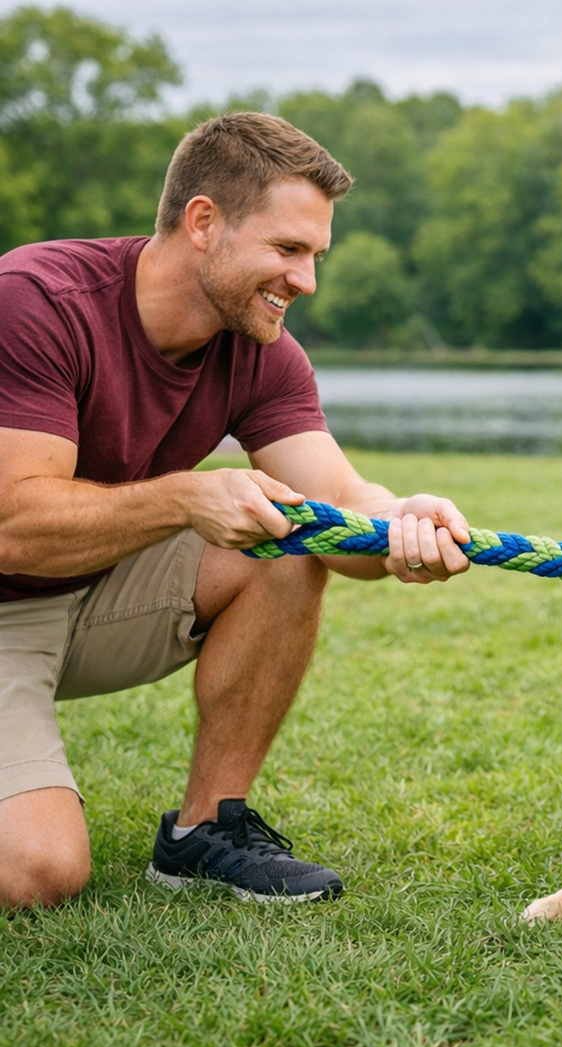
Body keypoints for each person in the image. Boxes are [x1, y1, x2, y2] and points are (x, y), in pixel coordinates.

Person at [0, 112, 472, 909]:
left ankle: (203, 832)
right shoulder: (37, 302)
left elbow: (340, 511)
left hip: (83, 598)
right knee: (37, 873)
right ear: (204, 223)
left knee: (284, 540)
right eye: (288, 250)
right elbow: (15, 527)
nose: (307, 281)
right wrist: (187, 495)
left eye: (315, 256)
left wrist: (401, 524)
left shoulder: (263, 349)